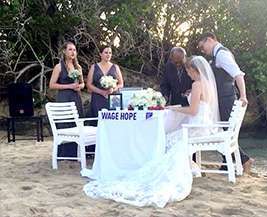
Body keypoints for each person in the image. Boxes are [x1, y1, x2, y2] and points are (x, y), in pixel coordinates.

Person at [81, 56, 219, 207]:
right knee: (169, 137)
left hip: (195, 128)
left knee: (167, 140)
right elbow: (200, 108)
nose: (188, 74)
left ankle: (177, 171)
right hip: (203, 125)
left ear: (194, 70)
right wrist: (176, 108)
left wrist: (174, 108)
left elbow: (193, 110)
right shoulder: (207, 84)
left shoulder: (197, 84)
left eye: (189, 71)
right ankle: (189, 166)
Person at [198, 32, 253, 173]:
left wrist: (243, 96)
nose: (203, 50)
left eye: (202, 46)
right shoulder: (217, 55)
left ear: (209, 40)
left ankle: (245, 160)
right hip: (222, 97)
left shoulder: (222, 55)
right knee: (225, 131)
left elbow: (238, 74)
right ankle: (226, 163)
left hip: (226, 98)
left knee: (226, 131)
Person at [49, 41, 84, 157]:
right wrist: (69, 86)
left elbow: (83, 83)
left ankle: (76, 153)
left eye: (74, 50)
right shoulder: (58, 67)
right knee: (65, 123)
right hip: (64, 99)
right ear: (64, 51)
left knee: (76, 123)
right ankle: (64, 153)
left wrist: (80, 86)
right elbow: (52, 85)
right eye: (70, 49)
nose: (73, 52)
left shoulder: (78, 67)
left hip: (76, 98)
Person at [87, 45, 124, 118]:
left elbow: (121, 83)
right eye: (106, 52)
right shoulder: (94, 67)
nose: (108, 55)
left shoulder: (115, 67)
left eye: (110, 53)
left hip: (113, 98)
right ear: (100, 54)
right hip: (98, 98)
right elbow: (89, 84)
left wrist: (114, 88)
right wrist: (101, 92)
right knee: (98, 120)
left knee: (114, 120)